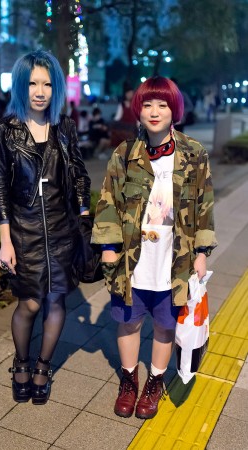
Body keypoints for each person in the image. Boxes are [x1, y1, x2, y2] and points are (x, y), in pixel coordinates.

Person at [91, 76, 217, 419]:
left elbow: (204, 206)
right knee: (128, 322)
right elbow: (107, 202)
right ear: (138, 110)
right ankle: (129, 380)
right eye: (147, 104)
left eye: (162, 104)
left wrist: (202, 253)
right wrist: (108, 247)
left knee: (165, 325)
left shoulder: (194, 154)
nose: (155, 111)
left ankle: (155, 382)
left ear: (174, 109)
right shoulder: (125, 153)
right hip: (133, 260)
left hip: (174, 260)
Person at [0, 50, 91, 405]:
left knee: (56, 300)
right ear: (21, 85)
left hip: (62, 231)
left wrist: (83, 212)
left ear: (56, 87)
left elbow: (79, 174)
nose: (40, 90)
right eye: (33, 82)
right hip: (24, 231)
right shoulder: (6, 130)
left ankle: (43, 367)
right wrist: (6, 241)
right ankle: (21, 361)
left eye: (47, 83)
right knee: (29, 304)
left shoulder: (64, 126)